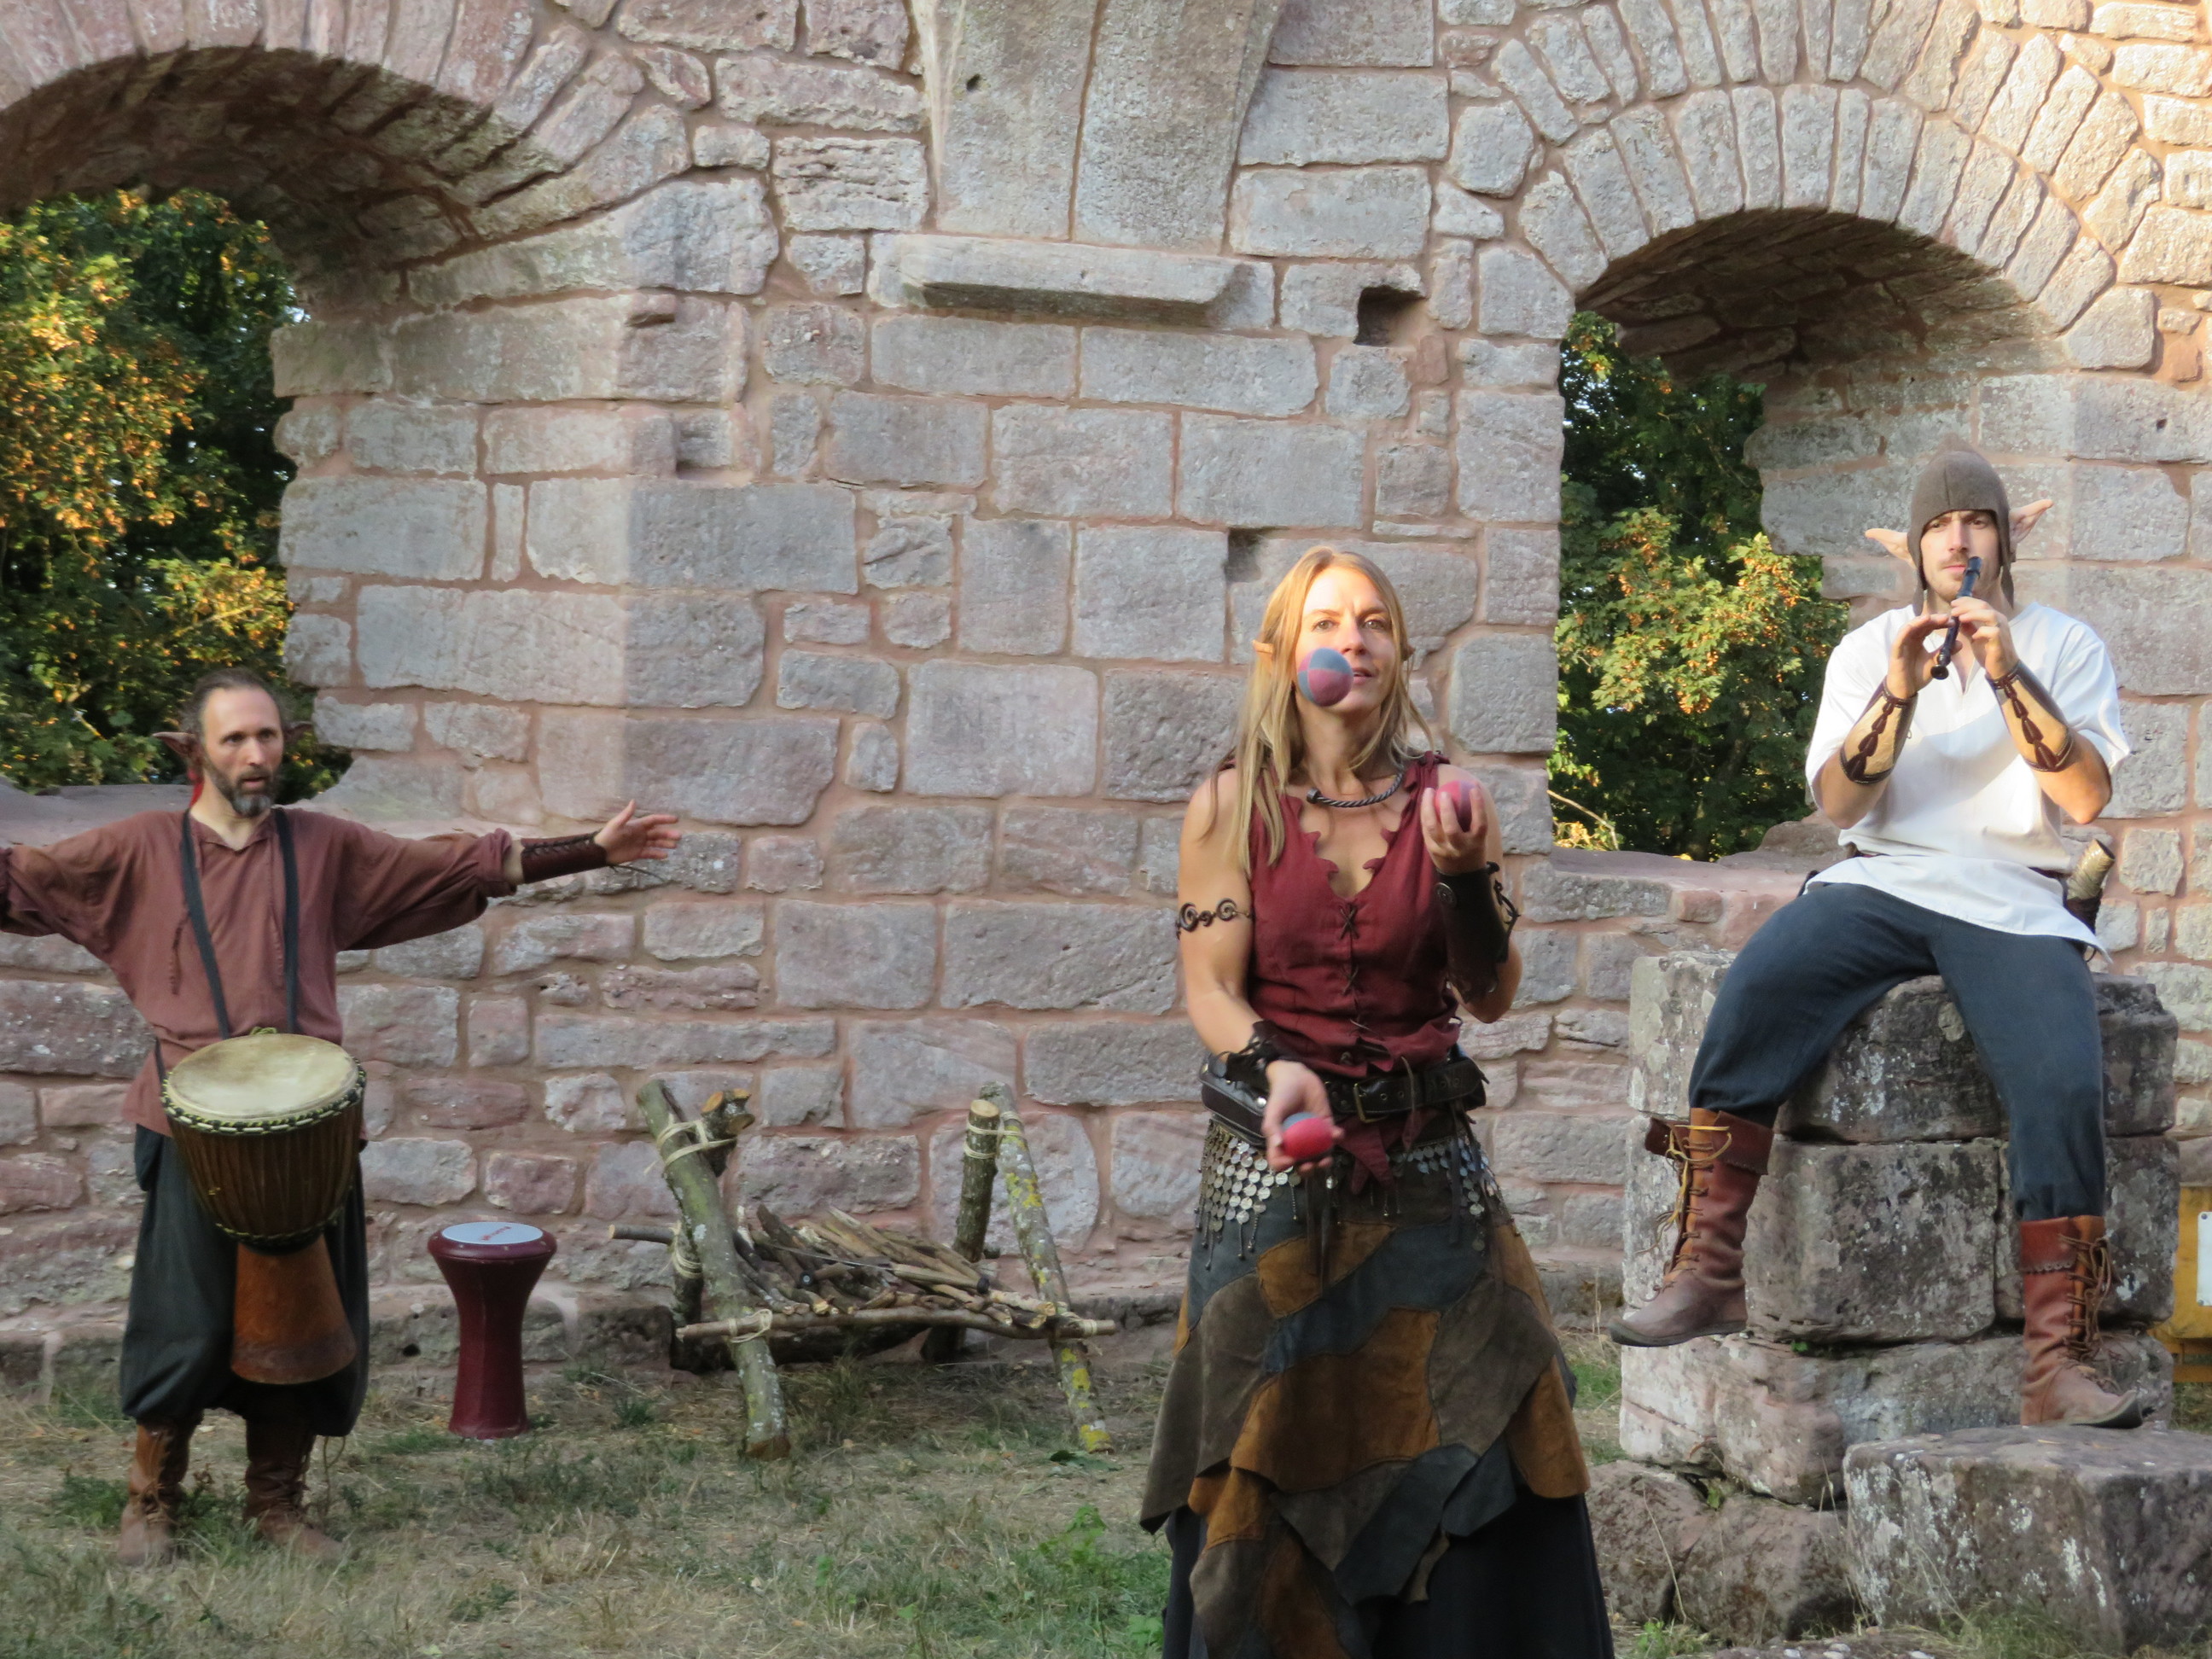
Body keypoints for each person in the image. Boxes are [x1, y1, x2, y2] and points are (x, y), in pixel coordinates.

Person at [0, 668, 681, 1563]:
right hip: (187, 1128)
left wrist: (590, 850)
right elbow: (22, 882)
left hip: (310, 1135)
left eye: (268, 736)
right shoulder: (135, 851)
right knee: (185, 1323)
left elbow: (459, 866)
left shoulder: (323, 847)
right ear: (192, 751)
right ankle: (151, 1501)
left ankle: (276, 1503)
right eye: (235, 738)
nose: (256, 753)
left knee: (302, 1326)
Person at [1607, 444, 2143, 1430]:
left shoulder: (2064, 645)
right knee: (1757, 989)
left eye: (1976, 522)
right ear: (1915, 546)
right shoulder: (1867, 650)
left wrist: (2006, 671)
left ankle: (2056, 1362)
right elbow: (1841, 804)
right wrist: (1899, 687)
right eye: (1940, 525)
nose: (1959, 540)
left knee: (2064, 1080)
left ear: (2006, 537)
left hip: (2015, 895)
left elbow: (2082, 798)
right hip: (1882, 880)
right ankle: (1709, 1269)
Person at [1144, 548, 1613, 1659]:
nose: (1350, 641)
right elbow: (1210, 988)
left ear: (1398, 654)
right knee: (1264, 1455)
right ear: (1281, 653)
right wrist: (1276, 1067)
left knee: (1486, 1441)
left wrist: (1464, 877)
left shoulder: (1450, 802)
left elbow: (1489, 995)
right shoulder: (1228, 807)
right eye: (1325, 623)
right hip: (1278, 1184)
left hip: (1431, 1178)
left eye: (1373, 623)